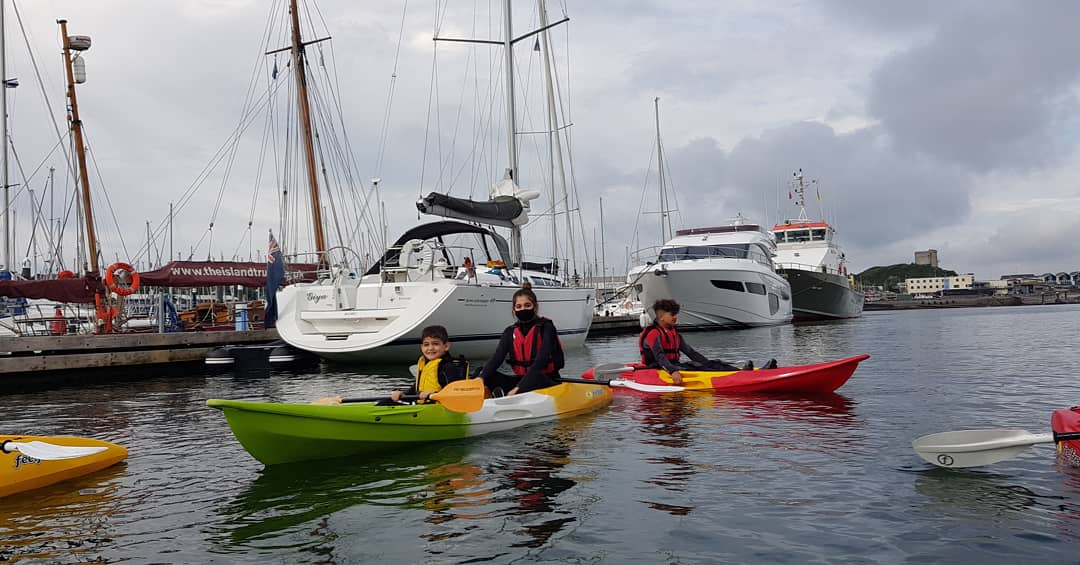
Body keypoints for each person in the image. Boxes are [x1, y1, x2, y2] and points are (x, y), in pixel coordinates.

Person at [638, 298, 776, 385]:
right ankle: (743, 376)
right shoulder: (653, 333)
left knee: (713, 363)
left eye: (676, 314)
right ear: (661, 317)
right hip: (658, 369)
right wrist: (673, 371)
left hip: (674, 366)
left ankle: (746, 373)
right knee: (700, 367)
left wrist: (708, 363)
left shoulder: (674, 333)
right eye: (672, 315)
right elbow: (660, 357)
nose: (676, 317)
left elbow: (691, 352)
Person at [477, 287, 564, 396]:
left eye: (527, 305)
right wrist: (481, 377)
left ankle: (504, 395)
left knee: (536, 378)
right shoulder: (510, 331)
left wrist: (519, 388)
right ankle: (490, 395)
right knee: (481, 371)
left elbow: (540, 362)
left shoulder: (547, 327)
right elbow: (497, 358)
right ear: (514, 310)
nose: (523, 309)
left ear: (535, 307)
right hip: (522, 379)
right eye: (519, 306)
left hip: (546, 379)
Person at [388, 325, 469, 404]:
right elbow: (416, 389)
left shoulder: (449, 367)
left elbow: (455, 393)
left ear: (446, 346)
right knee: (386, 402)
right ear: (422, 347)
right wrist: (404, 394)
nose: (430, 348)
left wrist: (434, 394)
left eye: (435, 344)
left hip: (439, 407)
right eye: (426, 344)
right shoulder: (425, 365)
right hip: (423, 406)